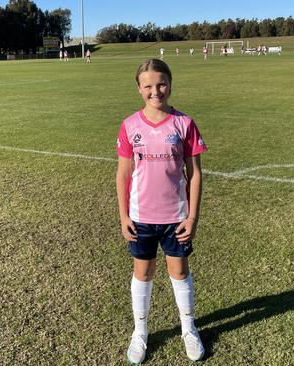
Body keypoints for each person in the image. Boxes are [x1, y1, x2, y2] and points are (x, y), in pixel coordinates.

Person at [116, 59, 207, 364]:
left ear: (170, 83)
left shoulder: (185, 124)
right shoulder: (130, 125)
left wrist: (192, 216)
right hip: (141, 217)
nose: (156, 91)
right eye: (148, 86)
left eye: (162, 84)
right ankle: (140, 332)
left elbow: (194, 174)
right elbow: (123, 174)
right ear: (139, 88)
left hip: (176, 218)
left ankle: (188, 328)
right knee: (142, 273)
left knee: (179, 272)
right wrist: (124, 215)